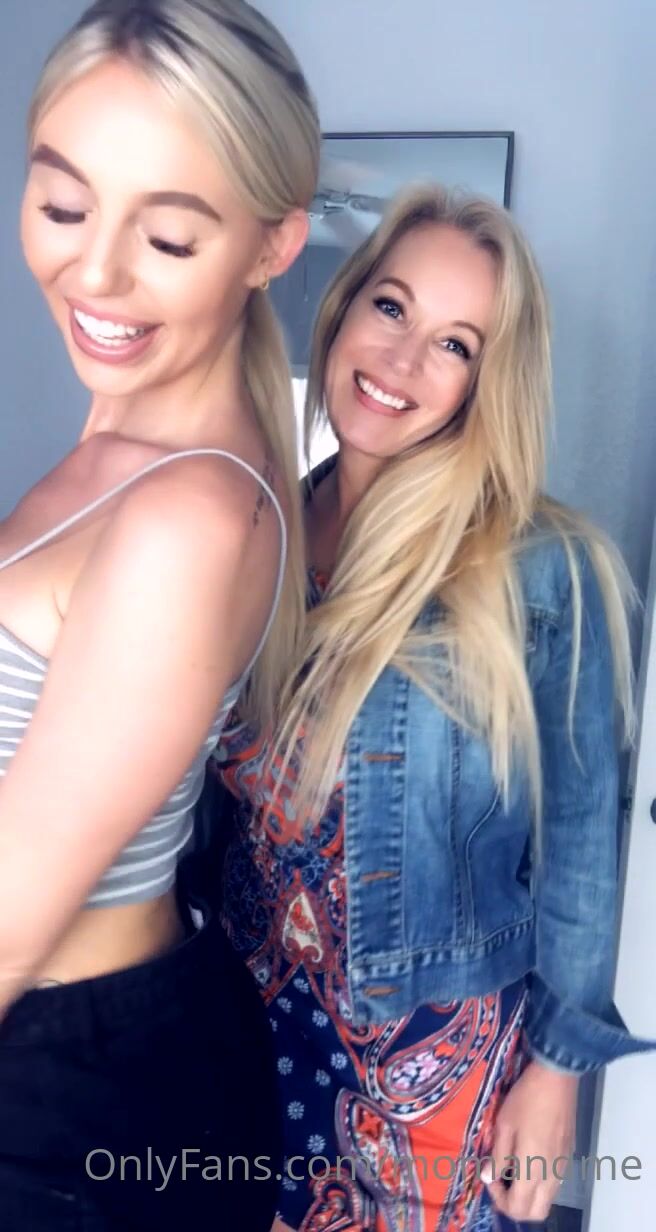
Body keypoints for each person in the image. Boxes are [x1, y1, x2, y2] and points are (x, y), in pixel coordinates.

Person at [213, 185, 655, 1232]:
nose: (402, 360)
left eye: (455, 344)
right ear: (343, 308)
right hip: (244, 1003)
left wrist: (556, 1071)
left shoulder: (542, 568)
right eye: (391, 306)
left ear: (483, 383)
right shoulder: (258, 523)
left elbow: (580, 848)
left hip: (423, 1051)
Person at [0, 1, 319, 1229]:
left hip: (69, 1094)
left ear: (270, 245)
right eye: (63, 205)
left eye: (170, 236)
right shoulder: (116, 444)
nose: (95, 272)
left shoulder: (186, 513)